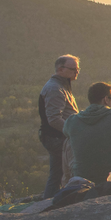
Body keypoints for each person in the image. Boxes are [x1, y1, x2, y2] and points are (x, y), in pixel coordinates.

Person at [63, 82, 111, 184]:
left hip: (82, 179)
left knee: (68, 141)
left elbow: (66, 132)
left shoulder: (72, 120)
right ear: (106, 100)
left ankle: (68, 182)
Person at [38, 54, 80, 198]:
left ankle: (50, 202)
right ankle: (49, 205)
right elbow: (54, 119)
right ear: (60, 69)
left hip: (58, 137)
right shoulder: (55, 88)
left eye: (78, 68)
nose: (77, 71)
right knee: (59, 173)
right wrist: (73, 132)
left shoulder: (62, 86)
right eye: (73, 69)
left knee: (58, 173)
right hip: (57, 137)